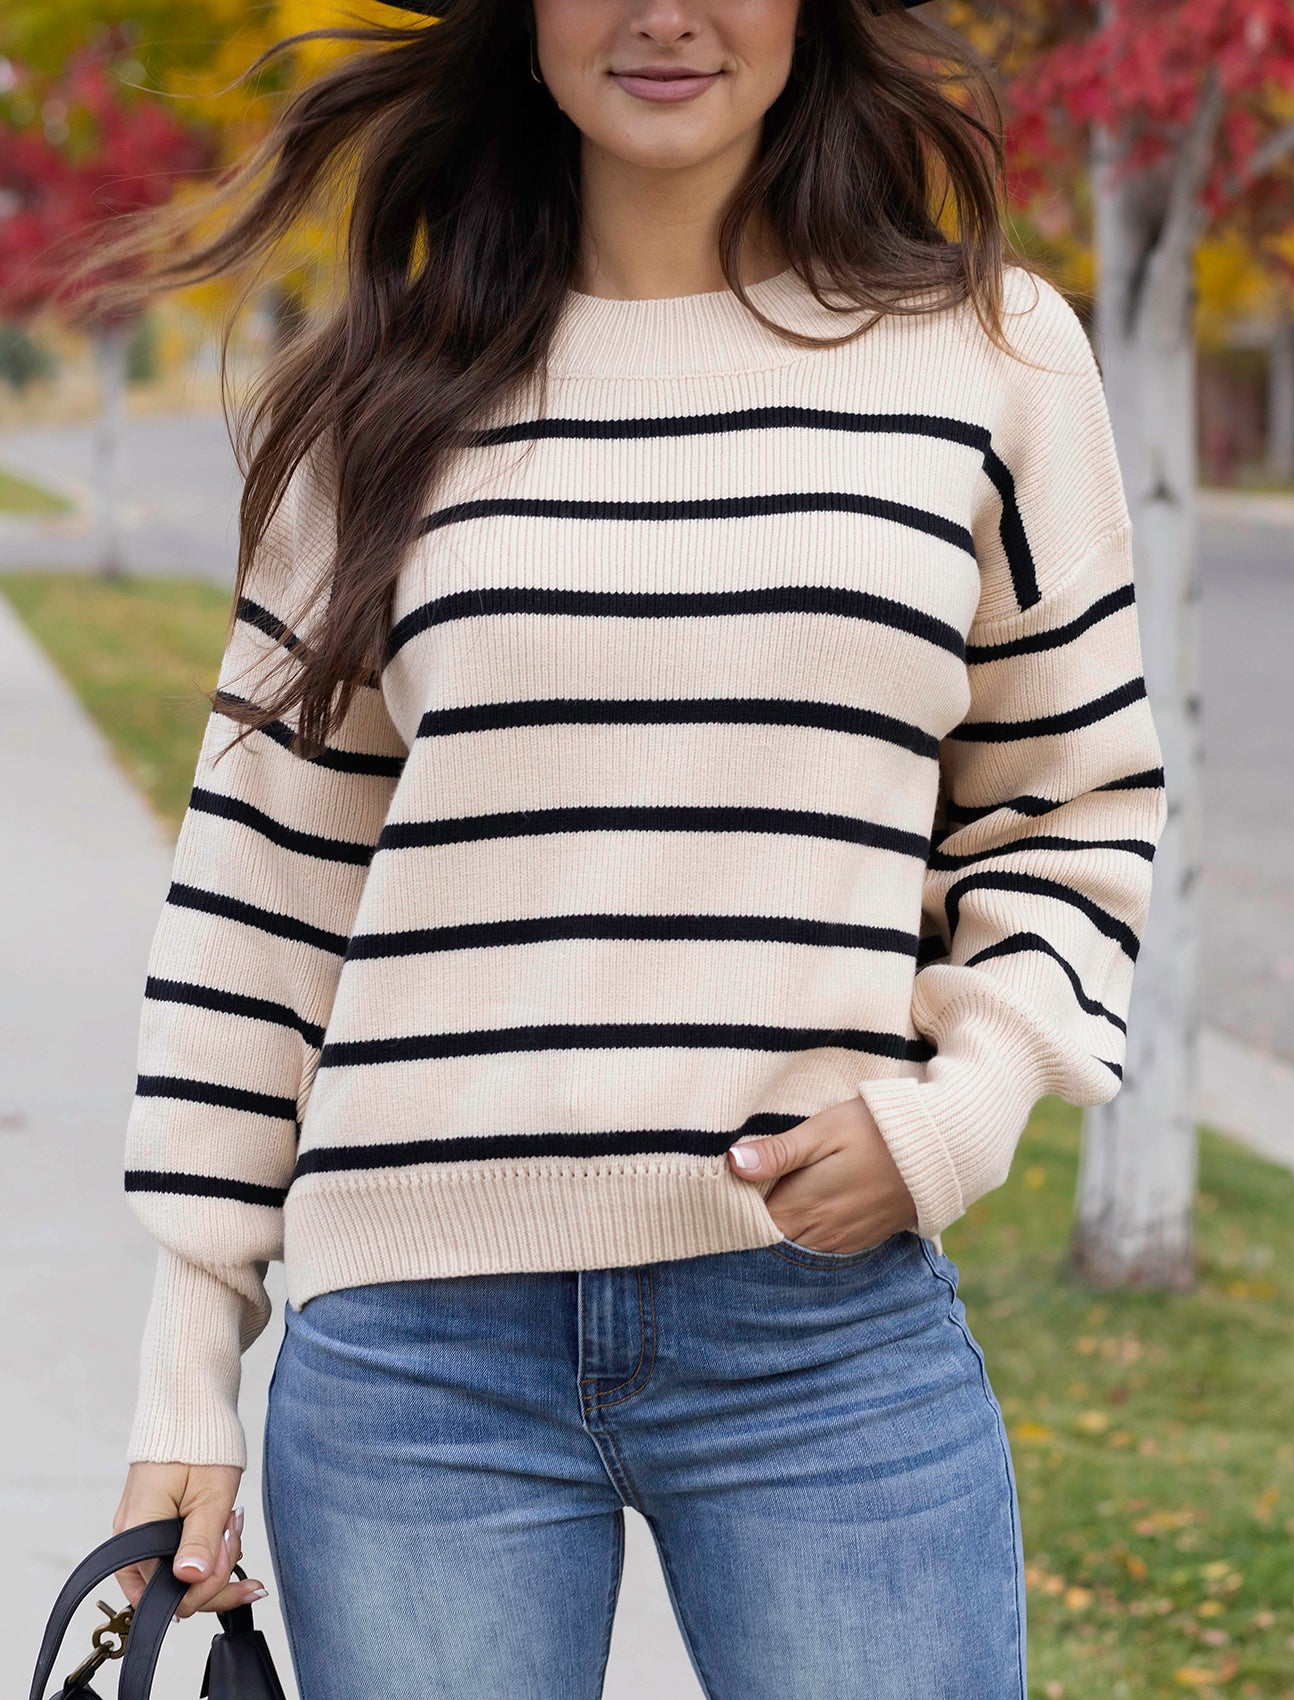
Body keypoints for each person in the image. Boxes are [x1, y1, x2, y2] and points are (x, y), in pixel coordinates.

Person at [92, 1, 1168, 1695]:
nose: (666, 12)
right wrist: (186, 1373)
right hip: (415, 1361)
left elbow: (1071, 796)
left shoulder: (992, 352)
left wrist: (967, 1106)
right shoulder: (381, 391)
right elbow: (261, 888)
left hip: (819, 1333)